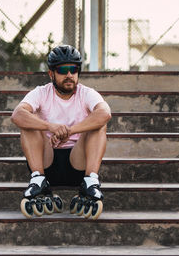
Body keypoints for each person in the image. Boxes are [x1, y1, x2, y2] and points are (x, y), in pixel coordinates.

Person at [11, 45, 111, 219]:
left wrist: (69, 131)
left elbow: (105, 113)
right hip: (46, 161)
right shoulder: (41, 93)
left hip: (78, 162)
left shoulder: (87, 93)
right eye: (63, 70)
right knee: (28, 119)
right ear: (51, 74)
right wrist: (51, 127)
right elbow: (17, 115)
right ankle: (38, 179)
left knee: (98, 123)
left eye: (73, 69)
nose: (69, 75)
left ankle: (90, 181)